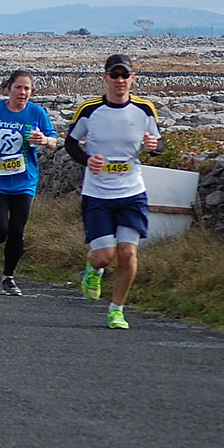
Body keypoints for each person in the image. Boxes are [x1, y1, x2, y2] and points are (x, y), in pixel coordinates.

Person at [64, 54, 163, 329]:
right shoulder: (90, 109)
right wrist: (87, 160)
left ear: (133, 78)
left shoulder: (144, 110)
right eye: (114, 75)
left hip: (132, 192)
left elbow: (158, 143)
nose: (120, 81)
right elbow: (71, 143)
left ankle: (116, 309)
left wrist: (155, 147)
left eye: (125, 76)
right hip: (98, 195)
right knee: (105, 255)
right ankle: (93, 269)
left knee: (128, 253)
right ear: (105, 78)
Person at [0, 70, 59, 296]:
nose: (23, 92)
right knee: (0, 229)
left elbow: (53, 140)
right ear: (9, 88)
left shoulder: (36, 112)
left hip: (25, 180)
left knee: (17, 231)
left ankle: (8, 278)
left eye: (27, 88)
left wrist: (44, 139)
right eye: (19, 87)